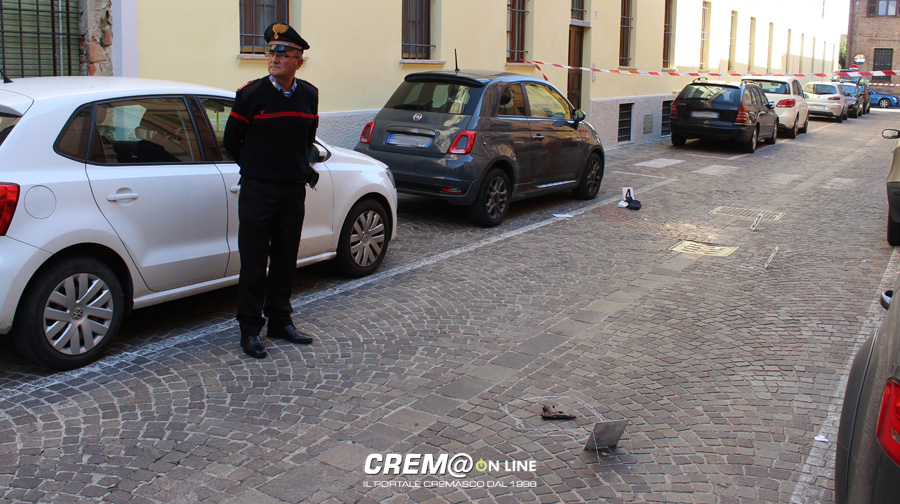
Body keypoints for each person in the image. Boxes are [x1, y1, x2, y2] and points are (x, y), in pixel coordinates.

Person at [223, 21, 319, 359]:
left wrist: (297, 168)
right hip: (258, 191)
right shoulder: (250, 95)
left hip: (292, 191)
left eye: (283, 52)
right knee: (253, 262)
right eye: (271, 51)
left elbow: (307, 139)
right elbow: (231, 142)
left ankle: (280, 321)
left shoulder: (309, 94)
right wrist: (257, 168)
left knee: (284, 261)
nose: (274, 57)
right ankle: (250, 329)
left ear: (298, 61)